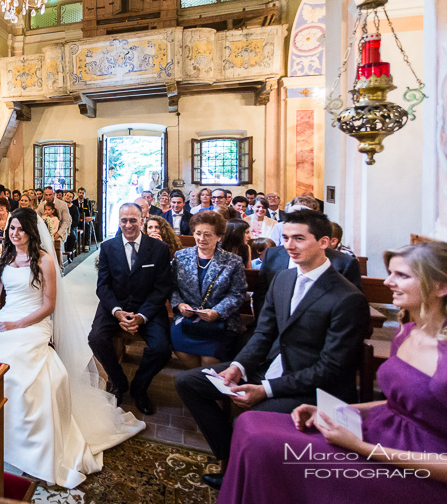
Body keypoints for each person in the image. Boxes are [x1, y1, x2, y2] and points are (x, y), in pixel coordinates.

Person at [217, 241, 447, 502]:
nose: (388, 282)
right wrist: (337, 411)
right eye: (391, 273)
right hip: (381, 430)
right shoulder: (407, 332)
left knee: (263, 444)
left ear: (442, 287)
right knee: (250, 425)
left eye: (402, 275)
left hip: (419, 466)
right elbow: (403, 403)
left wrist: (361, 447)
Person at [0, 208, 145, 487]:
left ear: (31, 232)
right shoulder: (3, 259)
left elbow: (49, 305)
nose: (14, 234)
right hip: (5, 320)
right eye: (11, 229)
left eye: (20, 229)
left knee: (18, 369)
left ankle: (25, 444)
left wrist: (19, 325)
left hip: (34, 323)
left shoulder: (44, 261)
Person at [175, 209, 370, 490]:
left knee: (249, 418)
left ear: (324, 242)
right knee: (189, 382)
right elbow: (264, 332)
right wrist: (237, 367)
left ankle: (246, 469)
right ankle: (234, 458)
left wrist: (265, 390)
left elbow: (332, 368)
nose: (289, 245)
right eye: (286, 237)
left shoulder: (347, 297)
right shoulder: (284, 279)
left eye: (299, 239)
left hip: (308, 384)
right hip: (268, 366)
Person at [88, 203, 174, 415]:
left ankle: (140, 387)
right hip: (115, 305)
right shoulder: (108, 247)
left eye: (133, 220)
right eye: (124, 220)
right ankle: (119, 381)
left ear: (142, 220)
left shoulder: (159, 249)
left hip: (148, 308)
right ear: (119, 222)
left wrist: (142, 316)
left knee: (162, 349)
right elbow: (103, 285)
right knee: (96, 338)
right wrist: (116, 311)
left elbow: (162, 287)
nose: (128, 225)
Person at [169, 211, 248, 369]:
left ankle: (204, 386)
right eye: (198, 233)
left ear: (219, 236)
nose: (201, 238)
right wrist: (180, 305)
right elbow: (171, 287)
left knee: (210, 360)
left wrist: (217, 312)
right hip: (188, 318)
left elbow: (237, 294)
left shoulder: (232, 261)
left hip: (220, 320)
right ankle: (197, 382)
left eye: (207, 234)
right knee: (183, 353)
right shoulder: (181, 256)